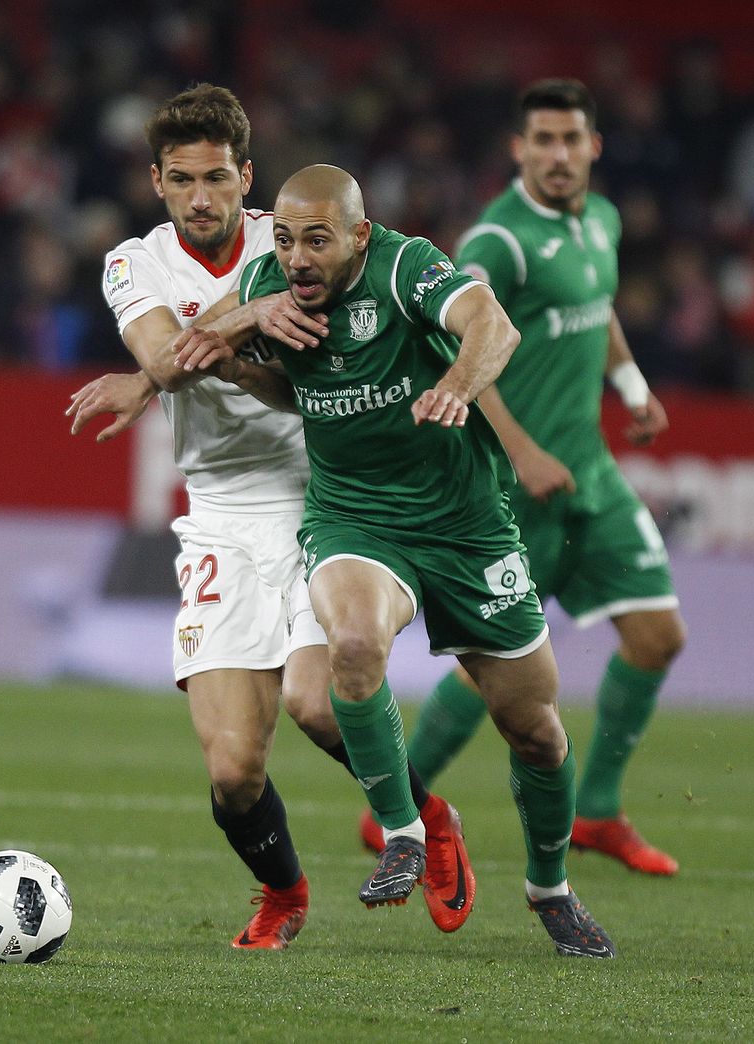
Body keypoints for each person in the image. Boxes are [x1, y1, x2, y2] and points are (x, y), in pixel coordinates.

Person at [65, 84, 474, 949]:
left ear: (245, 176)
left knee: (318, 707)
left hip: (320, 494)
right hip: (216, 514)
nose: (203, 198)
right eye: (183, 181)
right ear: (158, 183)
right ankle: (284, 892)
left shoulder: (291, 240)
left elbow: (238, 349)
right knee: (232, 771)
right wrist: (230, 327)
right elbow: (167, 356)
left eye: (218, 178)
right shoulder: (133, 264)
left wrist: (217, 334)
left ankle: (428, 821)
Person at [176, 163, 617, 957]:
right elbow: (208, 344)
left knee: (537, 732)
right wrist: (248, 337)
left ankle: (549, 885)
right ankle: (405, 831)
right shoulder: (271, 281)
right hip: (355, 515)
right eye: (284, 239)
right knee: (351, 643)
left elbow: (495, 327)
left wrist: (454, 382)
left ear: (359, 234)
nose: (298, 258)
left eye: (317, 240)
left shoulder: (408, 265)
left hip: (469, 526)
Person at [376, 79, 687, 876]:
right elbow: (461, 343)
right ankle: (398, 807)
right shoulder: (499, 242)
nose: (557, 154)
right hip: (517, 488)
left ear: (594, 147)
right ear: (518, 150)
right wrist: (518, 450)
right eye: (541, 140)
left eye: (570, 139)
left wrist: (631, 387)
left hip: (590, 470)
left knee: (658, 637)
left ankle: (600, 811)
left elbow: (601, 306)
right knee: (499, 675)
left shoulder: (602, 222)